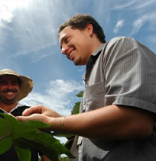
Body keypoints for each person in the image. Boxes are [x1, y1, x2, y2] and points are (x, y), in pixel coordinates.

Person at [17, 14, 156, 161]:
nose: (63, 50)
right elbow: (93, 135)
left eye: (66, 40)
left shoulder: (120, 46)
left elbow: (135, 120)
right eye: (61, 46)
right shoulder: (88, 82)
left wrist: (53, 123)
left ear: (88, 29)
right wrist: (58, 118)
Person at [0, 69, 50, 161]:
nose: (9, 87)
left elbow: (47, 150)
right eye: (4, 83)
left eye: (13, 83)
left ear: (19, 87)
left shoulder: (32, 113)